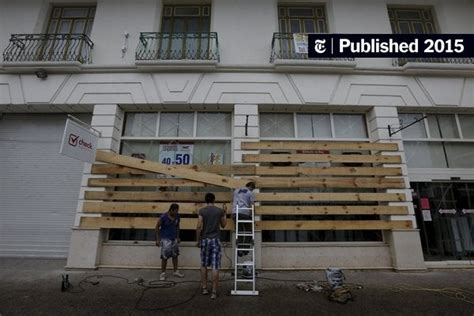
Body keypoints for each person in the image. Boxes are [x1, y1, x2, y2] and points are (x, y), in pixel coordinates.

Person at [196, 193, 227, 300]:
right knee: (215, 266)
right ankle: (214, 292)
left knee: (204, 265)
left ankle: (204, 288)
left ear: (205, 200)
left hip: (205, 240)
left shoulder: (202, 211)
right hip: (215, 240)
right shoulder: (219, 211)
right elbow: (224, 225)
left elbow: (199, 226)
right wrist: (225, 214)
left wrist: (198, 240)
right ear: (214, 200)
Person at [155, 203, 185, 281]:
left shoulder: (177, 216)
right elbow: (157, 227)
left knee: (175, 255)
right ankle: (163, 273)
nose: (176, 213)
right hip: (165, 239)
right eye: (175, 211)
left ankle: (175, 271)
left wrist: (178, 237)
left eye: (177, 211)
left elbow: (178, 226)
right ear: (171, 210)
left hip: (174, 238)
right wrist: (158, 239)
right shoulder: (163, 217)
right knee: (164, 257)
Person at [232, 181, 256, 257]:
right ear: (251, 187)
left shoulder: (236, 191)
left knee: (239, 232)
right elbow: (252, 205)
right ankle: (245, 250)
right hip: (245, 213)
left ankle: (239, 250)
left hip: (236, 213)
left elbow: (233, 202)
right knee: (249, 231)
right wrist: (253, 216)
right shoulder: (250, 192)